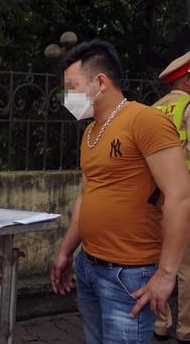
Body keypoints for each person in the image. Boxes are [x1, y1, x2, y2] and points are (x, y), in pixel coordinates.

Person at [50, 40, 190, 344]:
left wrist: (166, 275)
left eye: (72, 88)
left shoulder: (145, 120)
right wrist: (65, 253)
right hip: (88, 266)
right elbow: (87, 194)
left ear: (100, 82)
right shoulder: (90, 133)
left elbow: (180, 195)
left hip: (129, 276)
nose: (67, 98)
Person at [152, 51, 190, 343]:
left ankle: (161, 322)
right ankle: (185, 328)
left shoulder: (153, 109)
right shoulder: (189, 107)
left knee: (159, 258)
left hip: (155, 197)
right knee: (186, 266)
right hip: (184, 195)